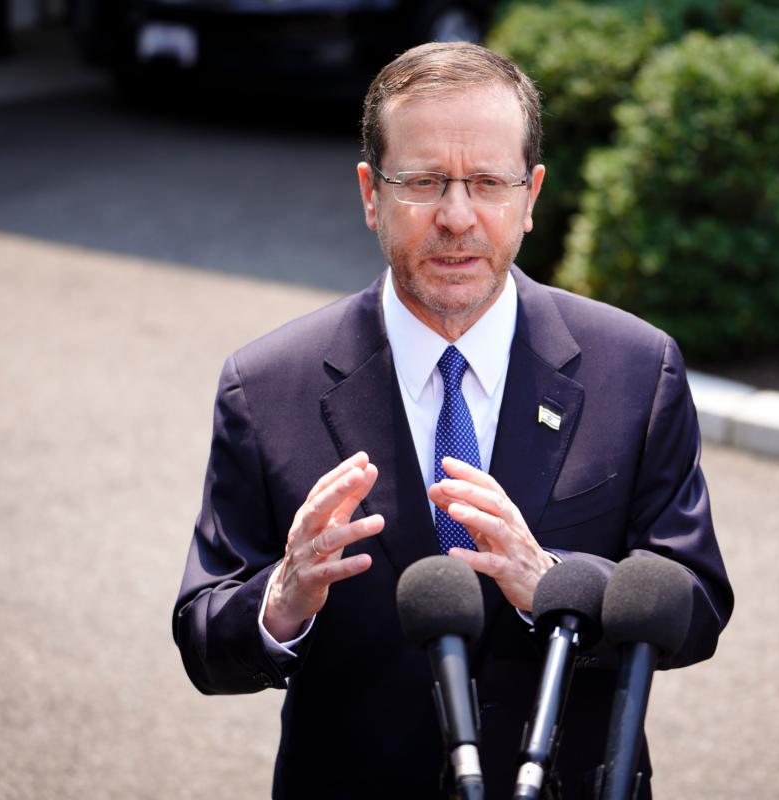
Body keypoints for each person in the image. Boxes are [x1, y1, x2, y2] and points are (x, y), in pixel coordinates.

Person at [173, 42, 733, 800]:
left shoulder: (635, 368)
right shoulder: (267, 386)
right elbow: (205, 638)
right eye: (424, 181)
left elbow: (695, 603)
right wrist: (282, 598)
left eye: (487, 183)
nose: (457, 217)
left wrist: (557, 586)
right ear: (371, 193)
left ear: (531, 196)